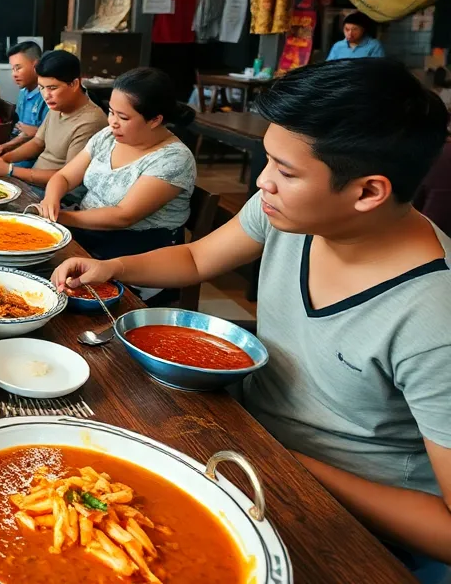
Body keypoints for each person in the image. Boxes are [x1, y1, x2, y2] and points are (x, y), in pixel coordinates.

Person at [53, 59, 451, 579]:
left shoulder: (433, 322)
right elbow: (197, 258)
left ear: (368, 192)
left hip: (340, 519)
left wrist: (287, 463)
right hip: (240, 436)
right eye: (268, 161)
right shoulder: (290, 211)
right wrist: (114, 266)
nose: (263, 182)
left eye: (285, 172)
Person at [40, 67, 196, 259]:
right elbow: (64, 176)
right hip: (88, 233)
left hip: (138, 253)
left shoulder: (173, 159)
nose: (112, 122)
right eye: (111, 112)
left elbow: (123, 216)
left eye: (123, 117)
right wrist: (50, 200)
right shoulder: (108, 136)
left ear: (155, 120)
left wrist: (59, 218)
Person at [0, 50, 106, 190]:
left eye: (53, 88)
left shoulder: (90, 122)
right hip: (31, 183)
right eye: (41, 88)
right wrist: (4, 158)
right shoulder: (58, 105)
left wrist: (10, 170)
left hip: (56, 195)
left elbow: (69, 177)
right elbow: (37, 142)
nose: (46, 95)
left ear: (74, 84)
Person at [0, 41, 46, 169]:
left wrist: (38, 133)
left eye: (18, 68)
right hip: (17, 157)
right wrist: (2, 148)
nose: (14, 74)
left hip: (34, 165)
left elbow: (46, 139)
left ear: (36, 65)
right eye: (13, 69)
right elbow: (24, 133)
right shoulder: (23, 92)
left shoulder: (47, 96)